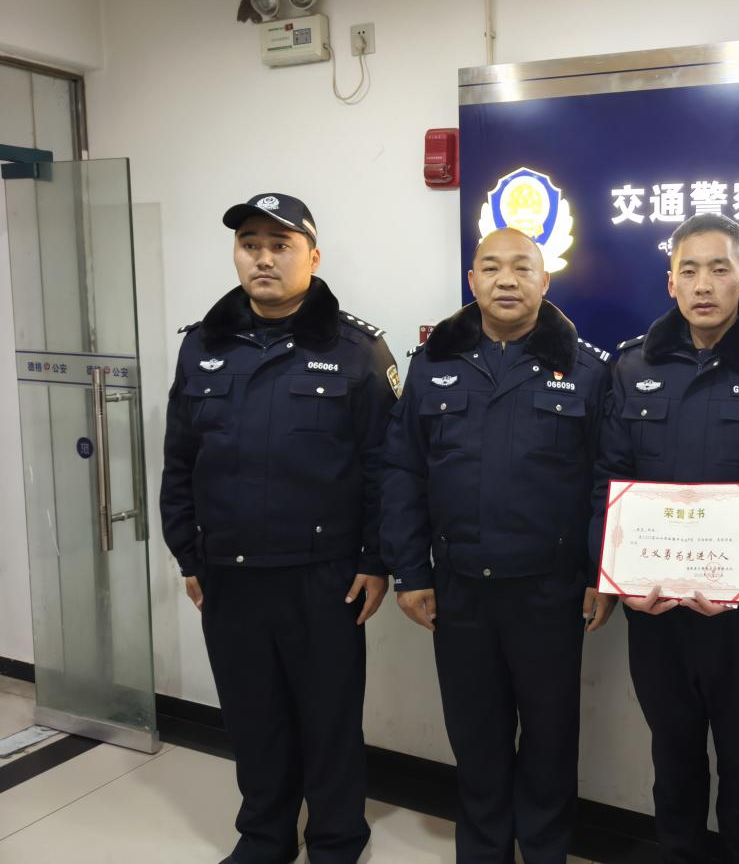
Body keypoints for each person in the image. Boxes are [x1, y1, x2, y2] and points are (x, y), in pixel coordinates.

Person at [160, 193, 399, 864]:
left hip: (323, 574)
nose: (263, 258)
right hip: (228, 571)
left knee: (329, 719)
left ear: (312, 257)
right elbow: (179, 460)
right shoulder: (201, 347)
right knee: (252, 715)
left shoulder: (356, 349)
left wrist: (375, 559)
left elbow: (384, 466)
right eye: (250, 244)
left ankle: (336, 838)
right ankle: (265, 835)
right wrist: (188, 556)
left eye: (280, 245)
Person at [592, 213, 739, 863]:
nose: (704, 284)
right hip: (656, 613)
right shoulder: (632, 366)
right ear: (670, 281)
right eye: (690, 270)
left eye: (719, 269)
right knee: (671, 760)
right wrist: (614, 573)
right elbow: (606, 479)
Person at [380, 227, 613, 864]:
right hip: (458, 590)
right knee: (475, 738)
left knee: (550, 739)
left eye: (521, 267)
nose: (506, 280)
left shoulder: (588, 370)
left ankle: (543, 851)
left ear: (545, 280)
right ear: (472, 280)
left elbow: (607, 480)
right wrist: (409, 571)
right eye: (490, 267)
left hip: (550, 591)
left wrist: (601, 572)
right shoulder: (433, 365)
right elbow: (402, 470)